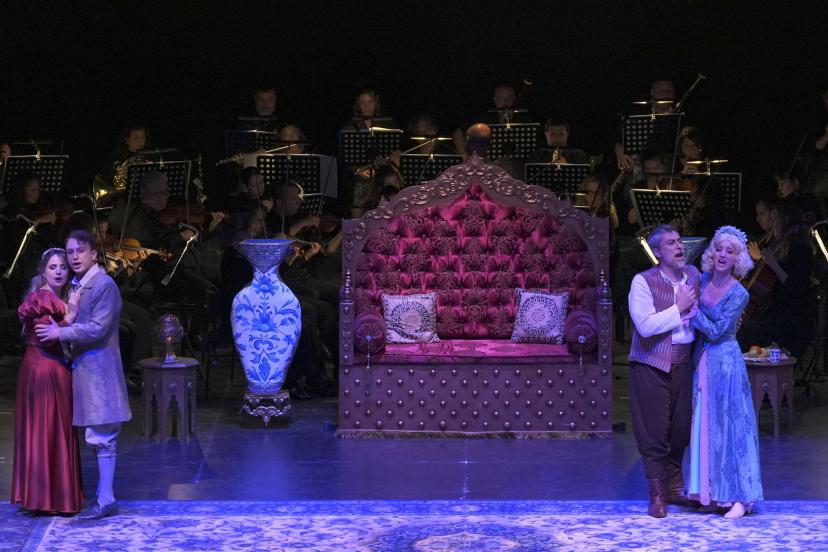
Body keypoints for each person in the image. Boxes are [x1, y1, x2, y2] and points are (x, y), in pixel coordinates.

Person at [35, 230, 131, 520]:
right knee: (94, 434)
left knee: (103, 433)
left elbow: (98, 328)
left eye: (80, 251)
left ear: (94, 254)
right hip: (84, 370)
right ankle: (103, 495)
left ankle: (107, 499)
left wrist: (60, 332)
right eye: (70, 252)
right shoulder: (78, 285)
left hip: (100, 371)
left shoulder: (103, 284)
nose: (74, 257)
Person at [687, 226, 763, 519]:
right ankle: (710, 492)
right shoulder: (702, 280)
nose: (722, 254)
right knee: (705, 424)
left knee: (731, 427)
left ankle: (740, 497)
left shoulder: (739, 293)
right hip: (703, 359)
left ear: (737, 259)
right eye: (718, 248)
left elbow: (718, 331)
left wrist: (693, 311)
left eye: (729, 251)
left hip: (726, 362)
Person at [627, 224, 700, 518]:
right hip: (651, 363)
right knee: (654, 430)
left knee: (681, 427)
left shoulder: (693, 275)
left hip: (683, 361)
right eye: (671, 243)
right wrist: (678, 308)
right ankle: (657, 493)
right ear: (657, 251)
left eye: (680, 241)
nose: (679, 246)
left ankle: (674, 486)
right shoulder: (643, 281)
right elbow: (645, 326)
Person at [11, 248, 83, 515]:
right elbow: (46, 337)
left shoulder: (56, 297)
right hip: (44, 369)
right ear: (43, 271)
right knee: (46, 428)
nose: (59, 272)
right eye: (53, 267)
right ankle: (47, 498)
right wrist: (70, 318)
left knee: (51, 429)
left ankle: (51, 495)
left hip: (48, 367)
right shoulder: (43, 298)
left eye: (63, 267)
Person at [739, 200, 815, 357]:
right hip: (774, 316)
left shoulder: (800, 248)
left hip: (790, 324)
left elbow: (796, 288)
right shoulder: (780, 245)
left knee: (742, 331)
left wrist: (773, 264)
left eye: (774, 220)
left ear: (784, 220)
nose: (772, 225)